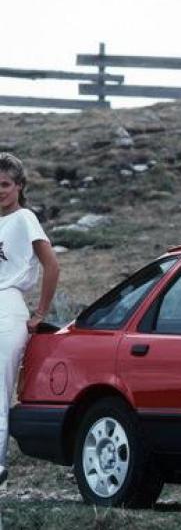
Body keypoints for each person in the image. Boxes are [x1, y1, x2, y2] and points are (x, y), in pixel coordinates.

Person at [0, 152, 59, 484]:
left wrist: (40, 312)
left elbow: (51, 264)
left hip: (8, 305)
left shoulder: (24, 218)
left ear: (19, 186)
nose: (0, 191)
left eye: (5, 184)